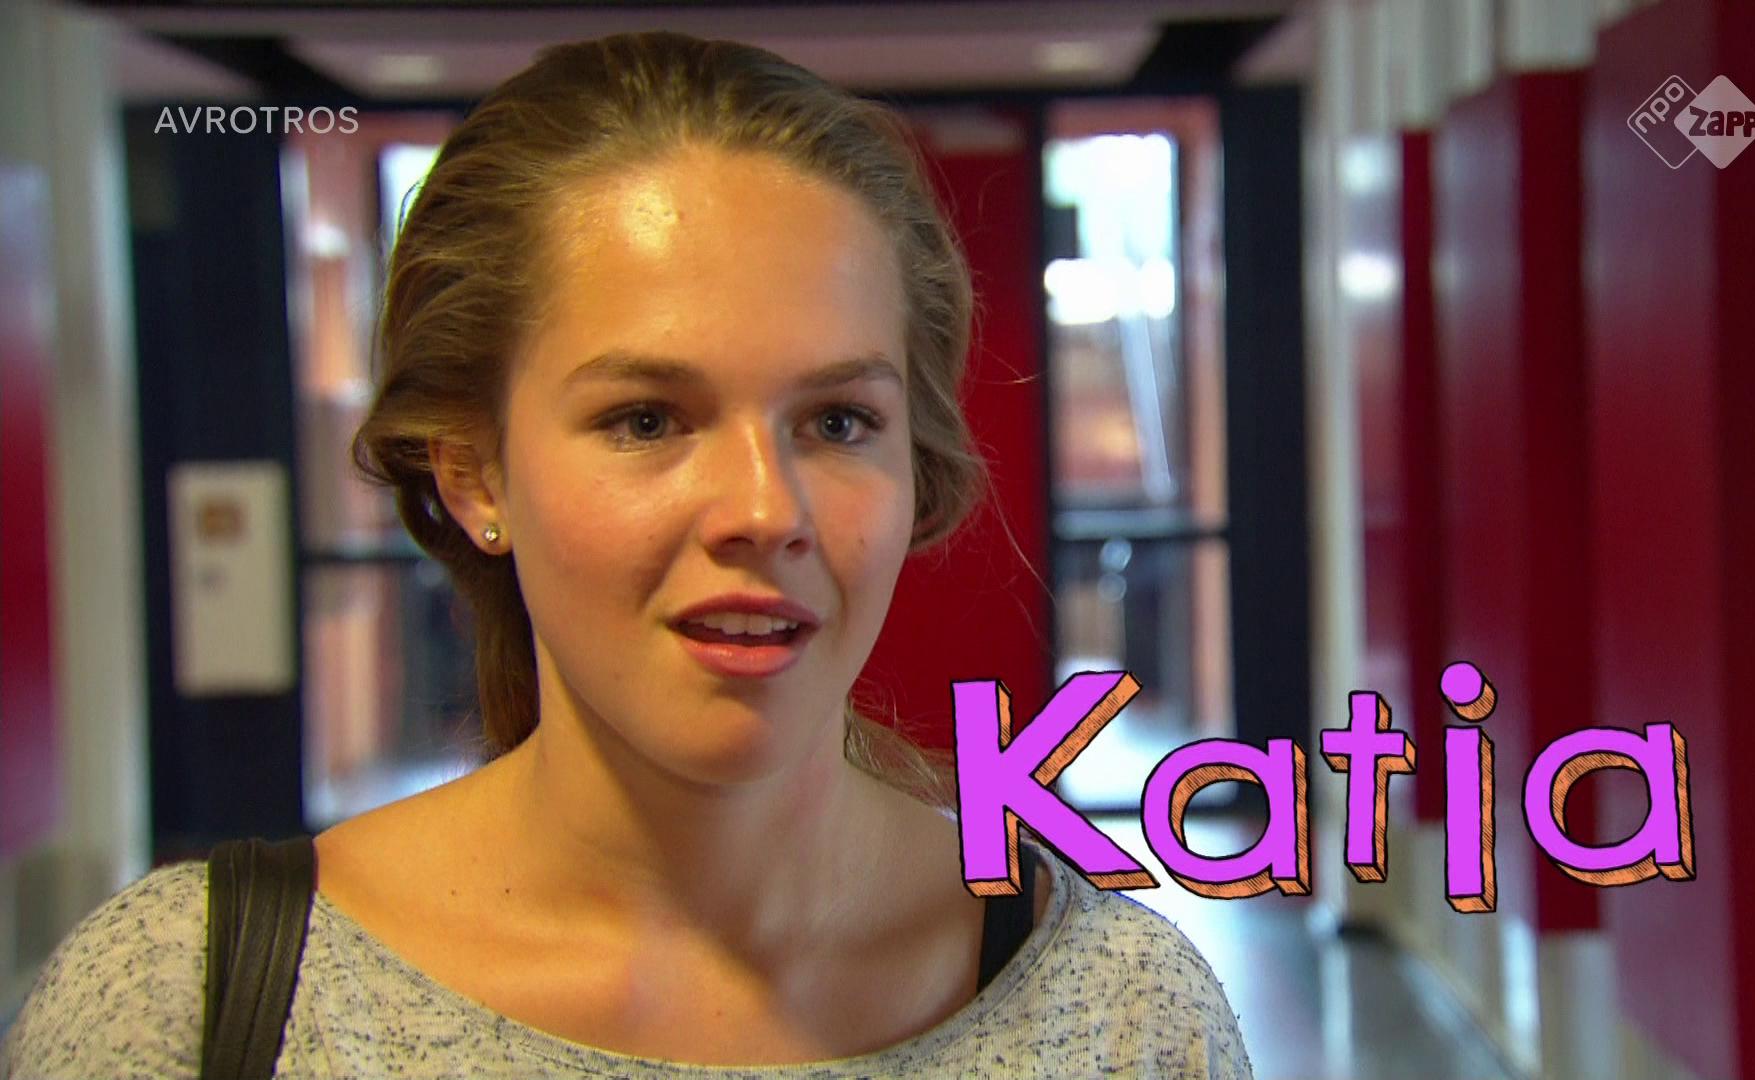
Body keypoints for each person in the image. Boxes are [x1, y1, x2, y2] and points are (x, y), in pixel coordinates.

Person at [0, 32, 1253, 1078]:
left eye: (836, 422)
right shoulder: (191, 1005)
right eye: (647, 419)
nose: (763, 509)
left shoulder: (1117, 1013)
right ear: (473, 472)